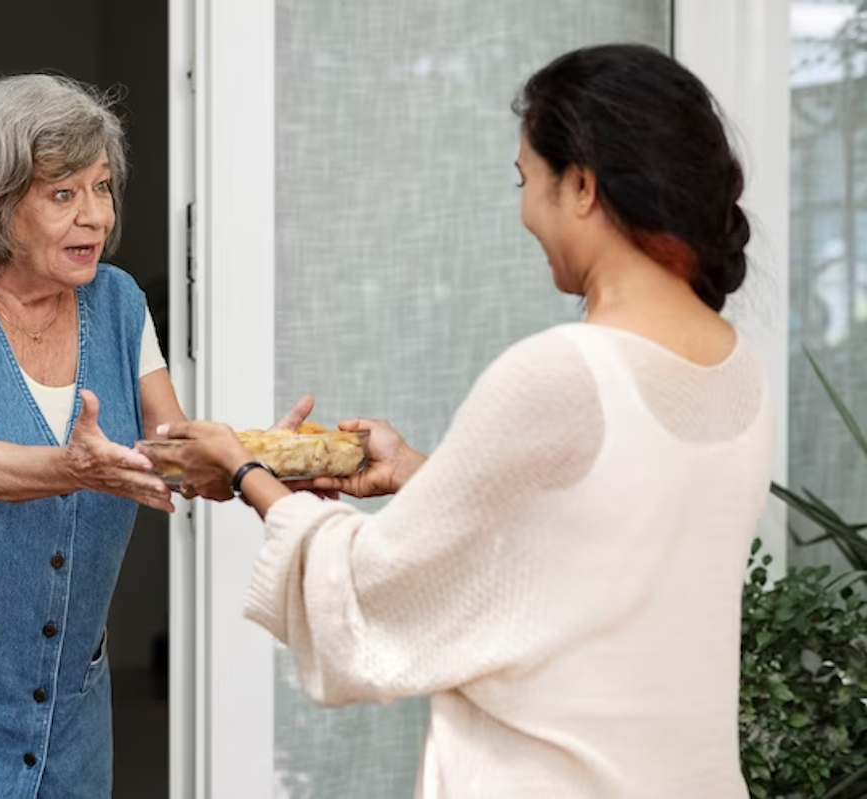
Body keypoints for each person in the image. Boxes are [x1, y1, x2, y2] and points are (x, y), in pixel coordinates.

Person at [149, 44, 773, 797]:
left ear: (580, 185)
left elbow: (377, 589)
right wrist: (419, 474)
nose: (523, 211)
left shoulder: (563, 370)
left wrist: (245, 471)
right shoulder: (742, 368)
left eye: (526, 181)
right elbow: (588, 540)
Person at [0, 73, 311, 799]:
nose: (96, 217)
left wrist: (258, 464)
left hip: (65, 705)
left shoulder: (118, 301)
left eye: (102, 188)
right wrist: (77, 466)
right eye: (63, 194)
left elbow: (168, 453)